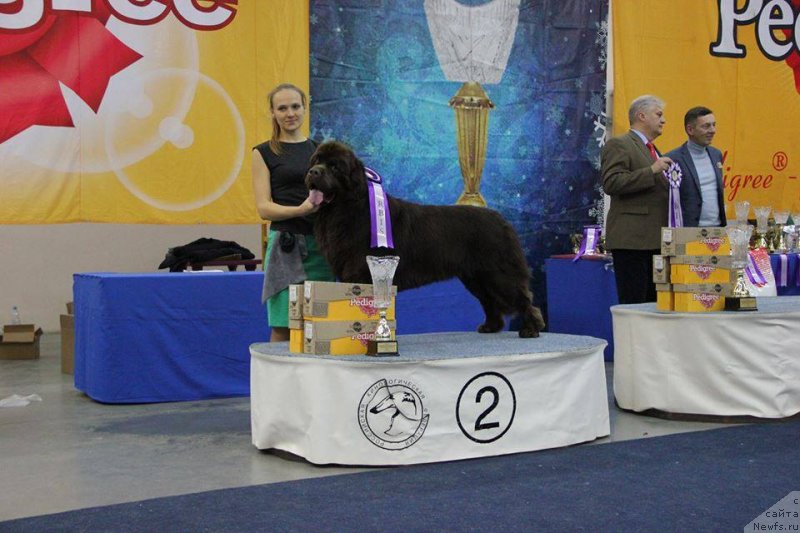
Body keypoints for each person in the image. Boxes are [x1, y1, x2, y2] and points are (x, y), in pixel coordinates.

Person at [252, 83, 334, 342]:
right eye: (282, 108)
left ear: (305, 108)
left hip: (321, 248)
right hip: (285, 250)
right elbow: (264, 208)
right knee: (283, 325)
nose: (290, 113)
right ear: (272, 112)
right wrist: (299, 210)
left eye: (295, 106)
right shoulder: (263, 152)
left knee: (321, 325)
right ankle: (276, 371)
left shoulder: (321, 151)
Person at [601, 95, 673, 304]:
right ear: (642, 116)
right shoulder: (619, 144)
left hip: (654, 241)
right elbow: (612, 183)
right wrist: (651, 171)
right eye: (658, 114)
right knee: (634, 304)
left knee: (652, 304)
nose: (663, 120)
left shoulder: (653, 149)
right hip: (632, 241)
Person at [665, 107, 726, 227]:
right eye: (706, 126)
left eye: (714, 125)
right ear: (690, 130)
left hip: (716, 228)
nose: (712, 130)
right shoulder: (672, 159)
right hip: (688, 229)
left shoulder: (716, 154)